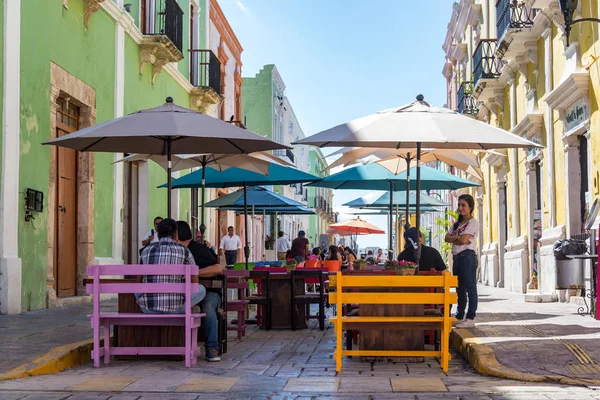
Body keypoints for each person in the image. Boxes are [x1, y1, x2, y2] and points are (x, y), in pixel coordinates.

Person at [135, 218, 206, 315]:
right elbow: (194, 281)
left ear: (158, 235)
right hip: (176, 309)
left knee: (136, 289)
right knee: (201, 289)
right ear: (176, 235)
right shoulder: (184, 251)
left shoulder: (146, 251)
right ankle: (188, 309)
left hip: (149, 309)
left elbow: (139, 279)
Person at [177, 221, 223, 362]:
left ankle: (212, 348)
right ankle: (178, 346)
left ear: (176, 235)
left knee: (207, 307)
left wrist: (194, 273)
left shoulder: (198, 249)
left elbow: (217, 268)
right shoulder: (174, 250)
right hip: (184, 291)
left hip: (209, 292)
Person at [445, 194, 479, 328]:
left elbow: (464, 241)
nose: (460, 208)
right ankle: (459, 315)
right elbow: (446, 238)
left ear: (470, 207)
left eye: (463, 205)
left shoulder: (473, 222)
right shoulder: (456, 224)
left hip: (467, 256)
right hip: (457, 257)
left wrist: (456, 237)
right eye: (459, 205)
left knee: (470, 288)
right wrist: (458, 237)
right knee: (459, 288)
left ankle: (470, 317)